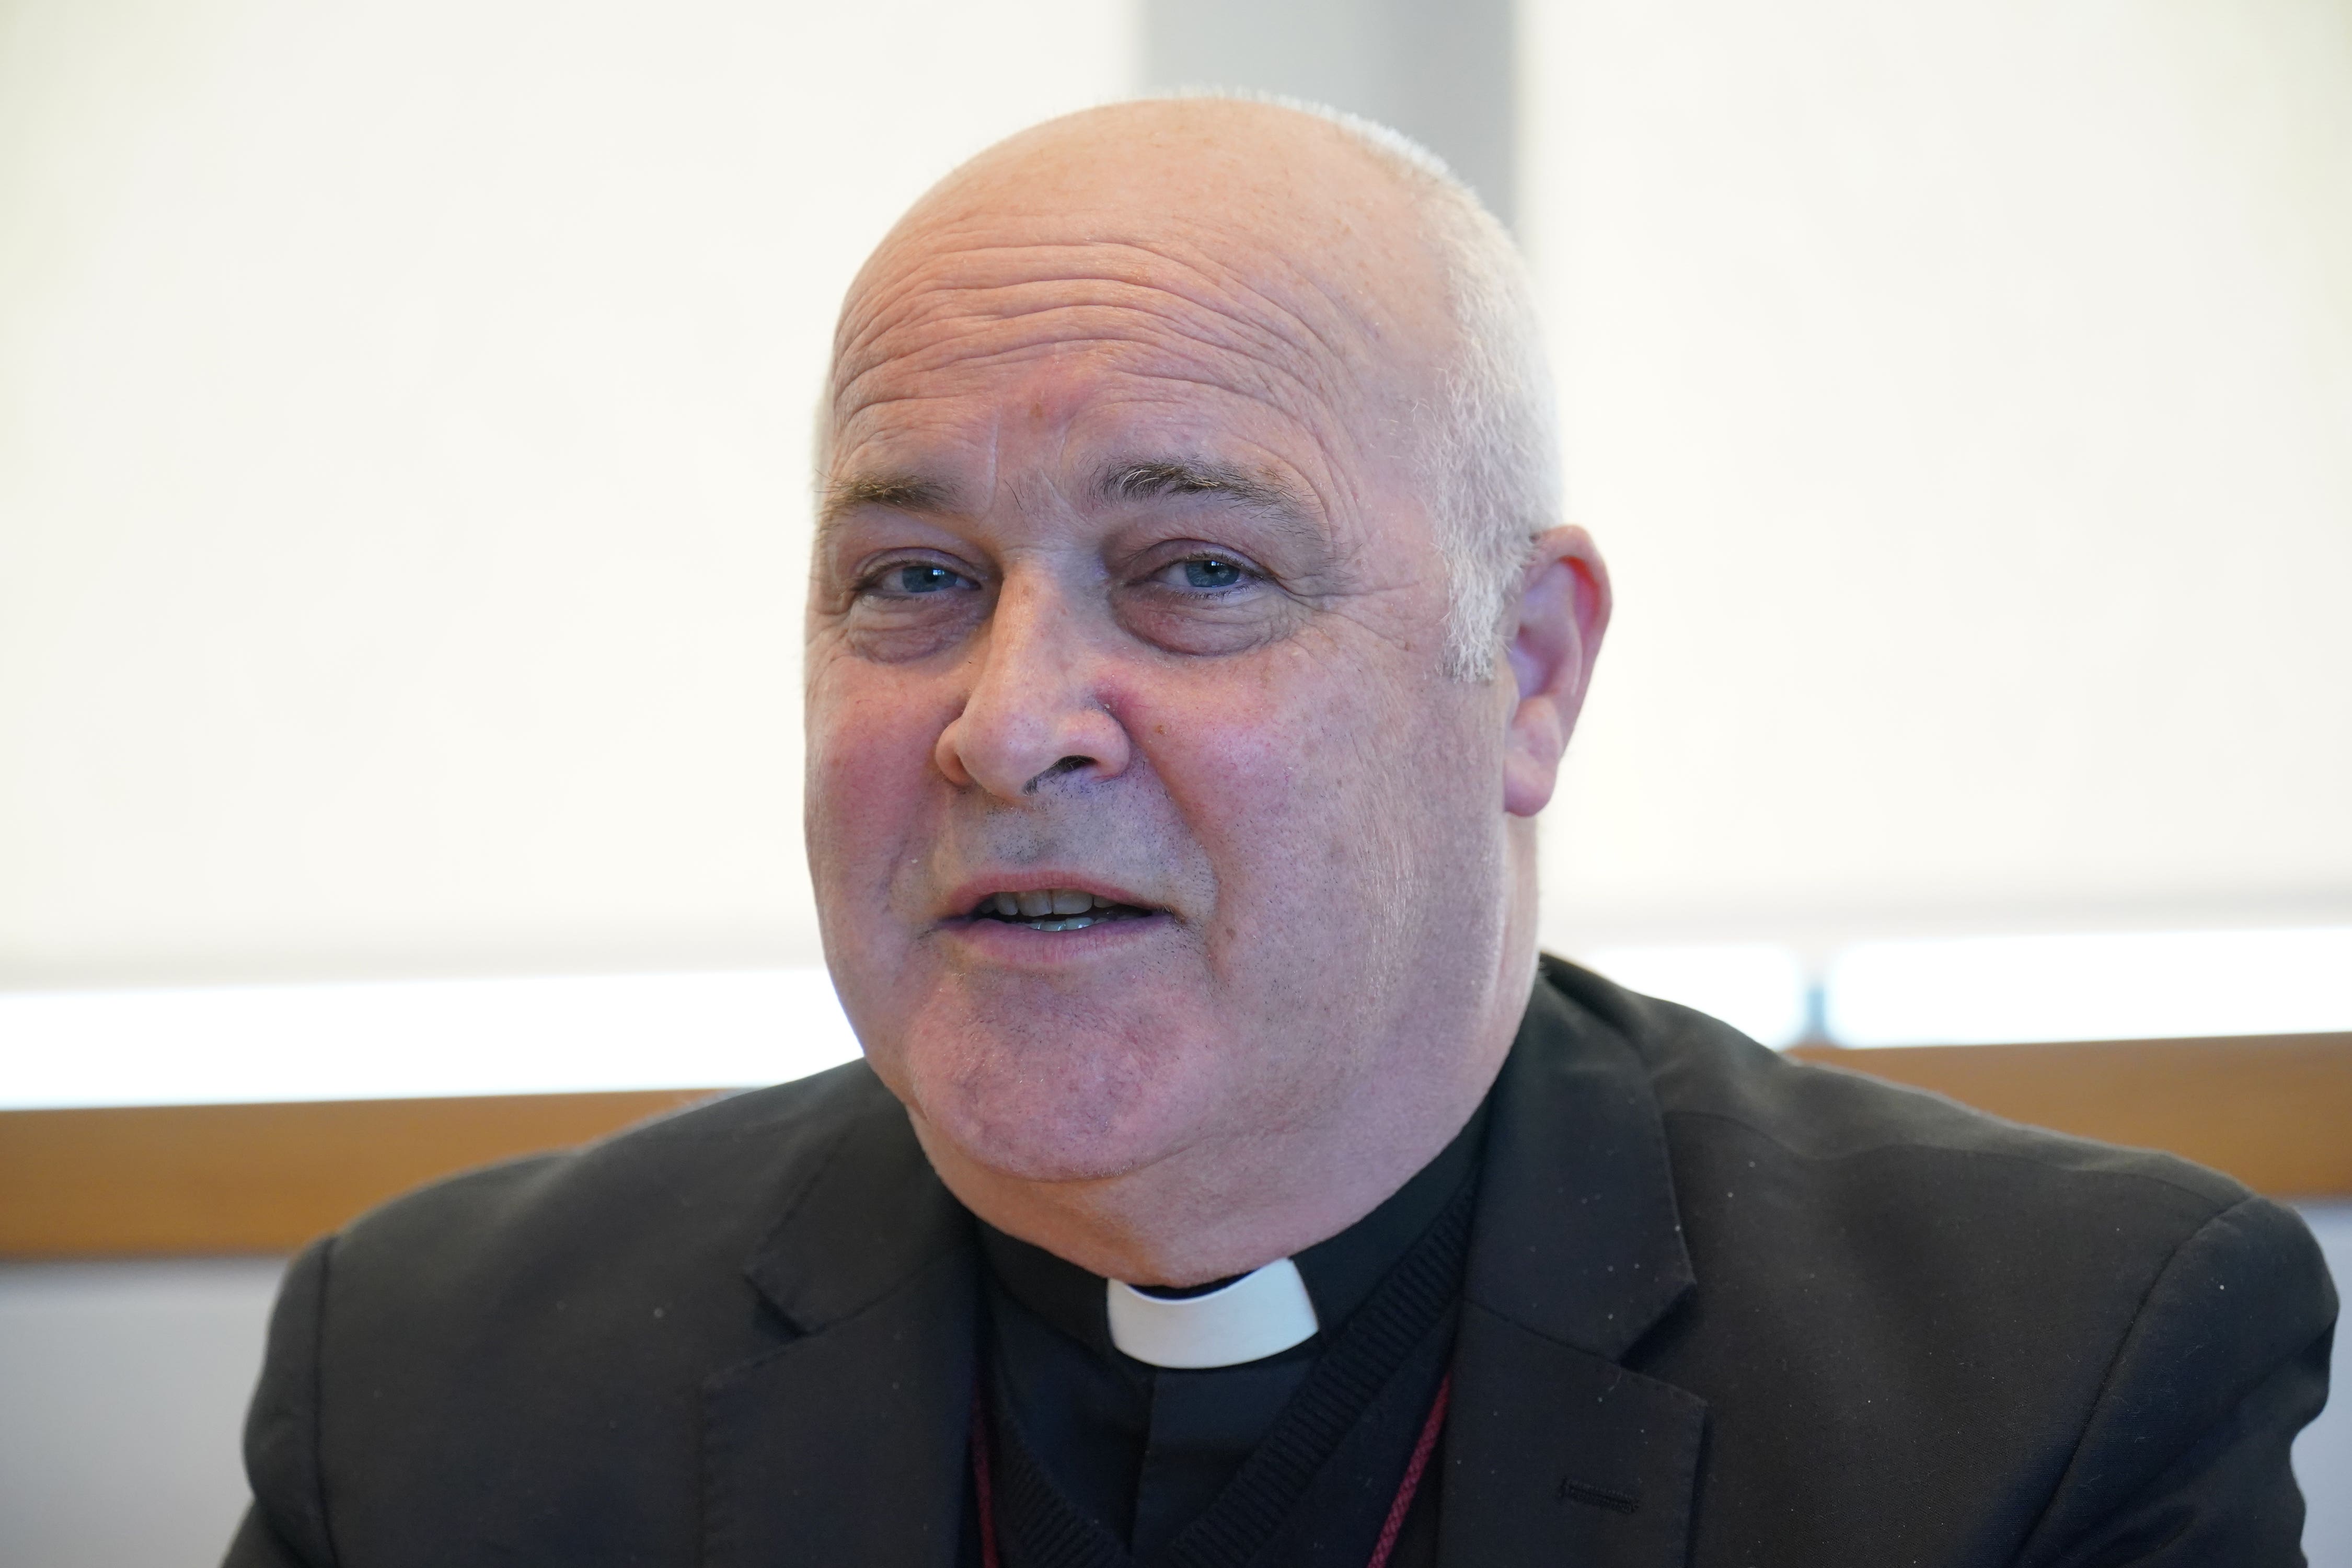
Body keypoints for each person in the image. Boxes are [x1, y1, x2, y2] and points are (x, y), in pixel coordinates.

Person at [225, 98, 2335, 1568]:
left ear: (1525, 671)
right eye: (912, 582)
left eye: (1198, 572)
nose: (1008, 725)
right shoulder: (431, 1395)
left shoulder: (2049, 1385)